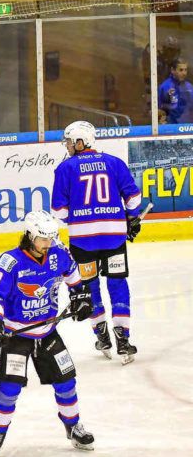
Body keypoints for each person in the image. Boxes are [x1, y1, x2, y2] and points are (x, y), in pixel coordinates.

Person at [0, 210, 96, 455]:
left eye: (51, 238)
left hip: (47, 332)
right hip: (15, 335)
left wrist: (81, 298)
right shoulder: (10, 262)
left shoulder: (58, 254)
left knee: (67, 382)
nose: (48, 243)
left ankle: (73, 426)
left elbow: (75, 280)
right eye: (43, 239)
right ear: (30, 236)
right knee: (9, 389)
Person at [51, 120, 143, 363]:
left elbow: (58, 211)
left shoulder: (65, 169)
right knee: (117, 284)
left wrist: (79, 215)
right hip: (114, 237)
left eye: (71, 142)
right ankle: (123, 340)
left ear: (82, 142)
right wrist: (130, 219)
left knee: (90, 287)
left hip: (83, 242)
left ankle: (102, 336)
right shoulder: (114, 162)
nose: (68, 146)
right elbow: (134, 199)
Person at [157, 57, 193, 125]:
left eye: (185, 70)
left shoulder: (190, 87)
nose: (184, 73)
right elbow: (158, 109)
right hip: (172, 129)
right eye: (181, 70)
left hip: (189, 128)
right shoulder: (165, 87)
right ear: (172, 70)